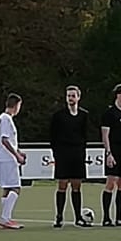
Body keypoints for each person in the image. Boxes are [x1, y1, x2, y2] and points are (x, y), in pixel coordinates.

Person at [48, 85, 91, 228]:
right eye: (68, 96)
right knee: (62, 185)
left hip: (77, 153)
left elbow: (85, 135)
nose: (70, 98)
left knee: (76, 186)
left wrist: (82, 151)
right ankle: (59, 216)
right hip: (63, 153)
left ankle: (78, 217)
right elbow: (53, 136)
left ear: (78, 97)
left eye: (73, 96)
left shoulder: (84, 115)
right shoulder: (58, 116)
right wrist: (57, 153)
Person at [99, 83, 121, 226]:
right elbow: (105, 135)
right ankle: (106, 217)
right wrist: (109, 153)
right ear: (119, 95)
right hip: (113, 149)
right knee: (111, 182)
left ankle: (120, 216)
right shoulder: (109, 113)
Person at [0, 93, 25, 229]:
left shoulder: (4, 118)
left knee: (7, 188)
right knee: (16, 188)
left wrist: (18, 151)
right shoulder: (6, 118)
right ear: (16, 105)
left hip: (4, 158)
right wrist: (16, 156)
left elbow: (9, 141)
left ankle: (5, 217)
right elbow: (5, 140)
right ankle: (5, 218)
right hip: (7, 159)